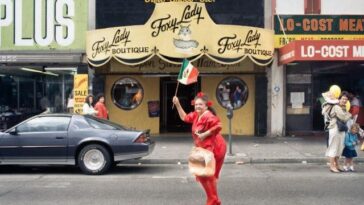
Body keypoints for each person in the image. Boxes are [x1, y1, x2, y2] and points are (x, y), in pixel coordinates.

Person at [173, 92, 226, 205]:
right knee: (201, 173)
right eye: (196, 104)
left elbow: (219, 126)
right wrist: (177, 104)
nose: (197, 106)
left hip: (215, 147)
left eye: (200, 104)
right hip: (202, 147)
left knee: (207, 174)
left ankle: (213, 200)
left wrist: (205, 134)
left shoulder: (208, 115)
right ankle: (213, 199)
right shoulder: (196, 115)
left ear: (206, 106)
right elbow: (185, 117)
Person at [322, 91, 352, 173]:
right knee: (334, 147)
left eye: (346, 99)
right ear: (339, 99)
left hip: (340, 129)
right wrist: (349, 114)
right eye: (343, 99)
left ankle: (337, 165)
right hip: (335, 128)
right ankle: (332, 166)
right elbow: (343, 118)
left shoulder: (343, 108)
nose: (344, 100)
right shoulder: (336, 107)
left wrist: (346, 114)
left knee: (339, 148)